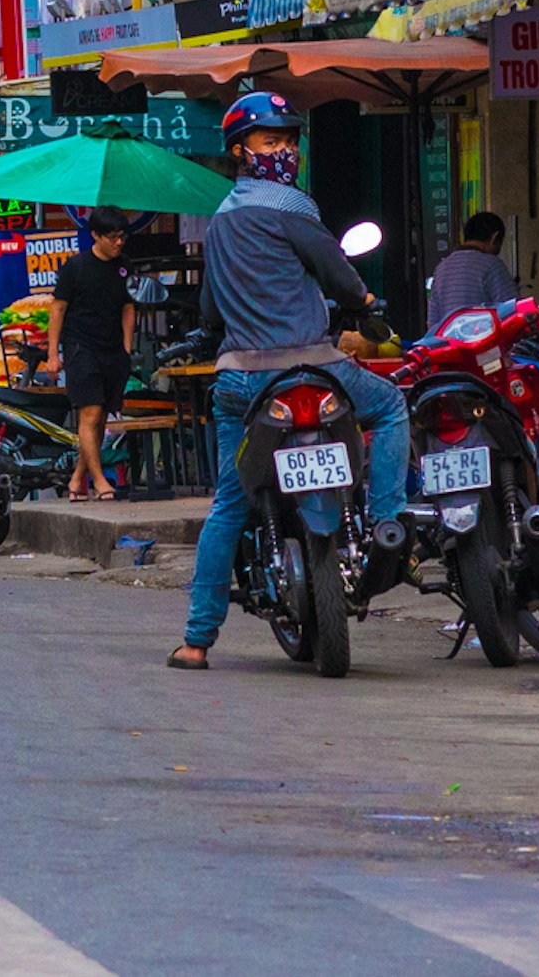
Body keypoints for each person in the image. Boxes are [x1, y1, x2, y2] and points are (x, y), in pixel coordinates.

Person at [171, 93, 408, 672]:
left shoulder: (221, 220)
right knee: (394, 408)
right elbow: (340, 276)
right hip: (315, 368)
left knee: (229, 503)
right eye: (270, 141)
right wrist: (367, 301)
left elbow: (209, 311)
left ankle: (197, 641)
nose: (285, 150)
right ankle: (386, 525)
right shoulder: (292, 206)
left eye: (289, 139)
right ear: (240, 151)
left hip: (241, 384)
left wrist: (210, 332)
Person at [47, 211, 138, 503]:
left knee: (101, 419)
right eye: (113, 237)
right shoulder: (75, 267)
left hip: (112, 350)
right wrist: (53, 354)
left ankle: (77, 478)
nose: (119, 243)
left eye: (123, 237)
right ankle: (99, 481)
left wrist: (126, 347)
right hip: (80, 347)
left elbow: (128, 308)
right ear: (96, 236)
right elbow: (57, 309)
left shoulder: (124, 267)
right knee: (90, 413)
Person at [427, 212, 520, 331]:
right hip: (484, 344)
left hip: (450, 346)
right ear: (494, 238)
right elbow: (513, 311)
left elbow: (432, 324)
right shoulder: (491, 264)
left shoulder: (441, 268)